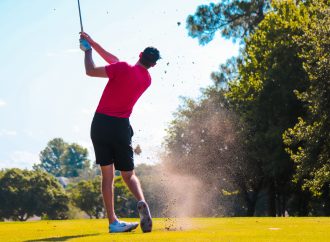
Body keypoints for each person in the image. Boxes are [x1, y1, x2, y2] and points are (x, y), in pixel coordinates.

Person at [79, 32, 160, 233]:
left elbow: (90, 71)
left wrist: (87, 51)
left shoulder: (122, 68)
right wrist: (93, 42)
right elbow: (115, 61)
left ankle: (113, 222)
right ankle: (141, 201)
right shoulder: (146, 79)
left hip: (101, 124)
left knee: (107, 177)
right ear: (154, 65)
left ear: (140, 54)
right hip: (121, 127)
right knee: (128, 174)